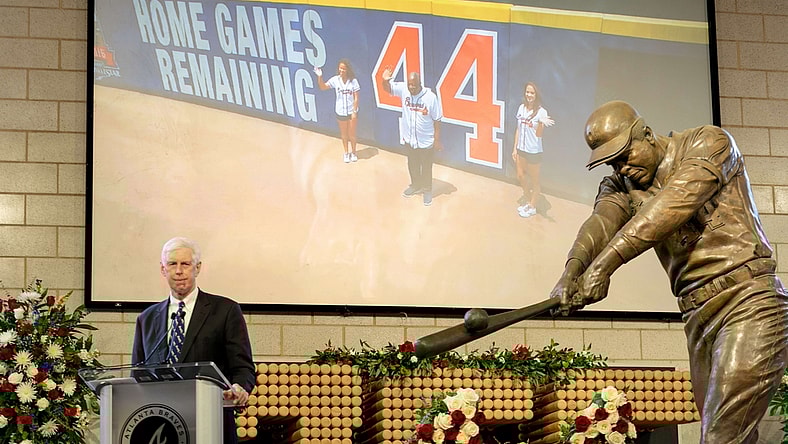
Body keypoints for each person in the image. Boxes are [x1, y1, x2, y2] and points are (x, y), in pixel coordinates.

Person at [549, 100, 788, 443]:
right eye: (613, 163)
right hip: (698, 317)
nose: (622, 168)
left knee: (720, 437)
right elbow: (600, 223)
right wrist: (571, 273)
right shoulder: (620, 185)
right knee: (729, 435)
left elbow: (670, 207)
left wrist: (603, 267)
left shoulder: (708, 142)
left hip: (748, 302)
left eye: (625, 155)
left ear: (646, 134)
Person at [132, 237, 256, 444]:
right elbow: (137, 373)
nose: (179, 271)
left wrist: (239, 387)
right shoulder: (147, 318)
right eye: (172, 264)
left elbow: (243, 367)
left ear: (197, 268)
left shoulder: (225, 311)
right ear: (163, 269)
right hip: (161, 426)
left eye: (186, 264)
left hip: (211, 422)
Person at [381, 68, 443, 206]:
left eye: (414, 85)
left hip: (425, 139)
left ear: (420, 83)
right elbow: (388, 89)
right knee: (412, 164)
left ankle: (427, 190)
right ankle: (415, 185)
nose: (411, 87)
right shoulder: (404, 90)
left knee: (426, 167)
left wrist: (437, 140)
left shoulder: (430, 97)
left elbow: (437, 120)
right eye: (409, 84)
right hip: (409, 138)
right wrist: (384, 80)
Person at [511, 82, 554, 218]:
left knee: (534, 180)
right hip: (521, 149)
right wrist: (515, 148)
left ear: (536, 95)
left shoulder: (542, 112)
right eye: (527, 92)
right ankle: (528, 199)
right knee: (520, 175)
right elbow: (518, 129)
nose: (529, 95)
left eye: (532, 93)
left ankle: (532, 206)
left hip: (533, 151)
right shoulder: (521, 108)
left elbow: (539, 135)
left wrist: (541, 123)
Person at [315, 59, 360, 163]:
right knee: (344, 134)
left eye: (344, 68)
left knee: (352, 134)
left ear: (347, 69)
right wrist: (319, 76)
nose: (342, 70)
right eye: (340, 68)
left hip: (351, 111)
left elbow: (356, 97)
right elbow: (323, 87)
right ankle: (346, 153)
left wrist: (354, 112)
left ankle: (353, 152)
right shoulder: (335, 80)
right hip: (340, 111)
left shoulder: (353, 81)